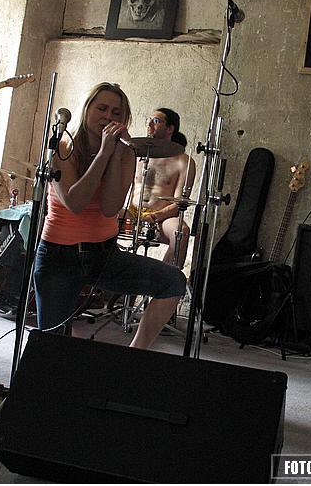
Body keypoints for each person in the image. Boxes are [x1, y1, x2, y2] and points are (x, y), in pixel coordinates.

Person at [33, 83, 186, 349]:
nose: (108, 117)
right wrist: (103, 153)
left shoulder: (125, 153)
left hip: (103, 254)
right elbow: (75, 202)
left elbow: (110, 207)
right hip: (59, 256)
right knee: (52, 346)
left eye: (116, 113)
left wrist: (115, 154)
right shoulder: (63, 149)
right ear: (87, 110)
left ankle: (133, 355)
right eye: (102, 108)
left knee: (173, 282)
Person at [126, 108, 196, 268]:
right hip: (132, 212)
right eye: (149, 120)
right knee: (101, 215)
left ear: (170, 129)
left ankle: (166, 279)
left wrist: (155, 216)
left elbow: (179, 203)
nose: (150, 124)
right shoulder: (136, 155)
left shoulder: (183, 161)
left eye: (156, 121)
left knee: (181, 232)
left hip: (162, 218)